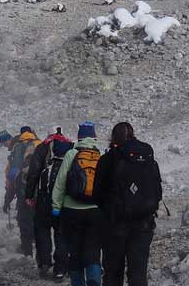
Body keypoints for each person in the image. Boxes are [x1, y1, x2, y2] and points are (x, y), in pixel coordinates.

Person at [93, 122, 162, 286]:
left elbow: (97, 195)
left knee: (112, 274)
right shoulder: (146, 155)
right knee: (138, 273)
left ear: (114, 137)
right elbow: (157, 191)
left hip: (114, 225)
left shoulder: (107, 160)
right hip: (143, 225)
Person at [52, 121, 103, 286]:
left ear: (79, 137)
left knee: (74, 251)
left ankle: (78, 283)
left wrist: (55, 207)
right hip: (95, 211)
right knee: (93, 249)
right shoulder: (100, 155)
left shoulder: (71, 154)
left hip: (71, 210)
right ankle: (94, 279)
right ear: (94, 136)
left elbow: (59, 184)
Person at [25, 127, 74, 280]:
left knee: (42, 229)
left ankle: (45, 263)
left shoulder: (42, 147)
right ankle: (60, 268)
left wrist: (29, 195)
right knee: (61, 232)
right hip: (63, 198)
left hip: (44, 196)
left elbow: (33, 172)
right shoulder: (70, 147)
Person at [2, 126, 41, 257]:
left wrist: (7, 199)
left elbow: (13, 175)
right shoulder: (41, 144)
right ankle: (43, 256)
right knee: (40, 222)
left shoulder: (18, 148)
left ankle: (27, 252)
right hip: (41, 192)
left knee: (24, 220)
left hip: (24, 193)